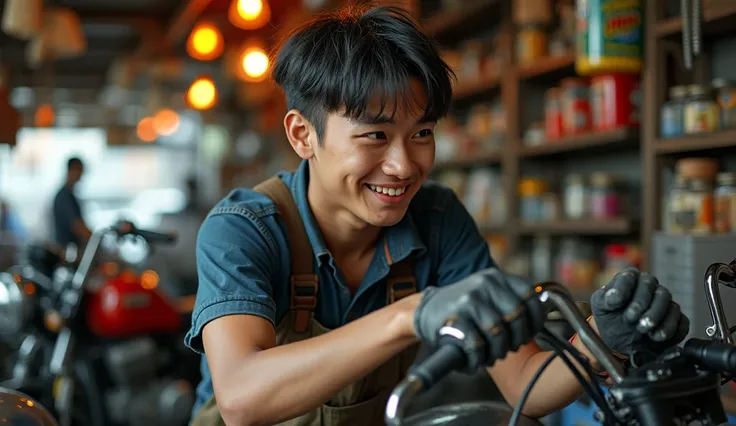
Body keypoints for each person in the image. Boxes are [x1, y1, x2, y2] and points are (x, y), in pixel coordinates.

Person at [185, 5, 689, 426]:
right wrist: (410, 314)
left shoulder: (437, 218)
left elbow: (524, 387)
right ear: (303, 136)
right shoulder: (244, 229)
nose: (405, 165)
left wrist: (601, 343)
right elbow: (241, 398)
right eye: (375, 136)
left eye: (422, 133)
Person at [52, 157, 91, 251]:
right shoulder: (65, 196)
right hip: (67, 251)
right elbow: (77, 226)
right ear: (70, 170)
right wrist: (94, 239)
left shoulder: (70, 195)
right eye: (78, 170)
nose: (80, 175)